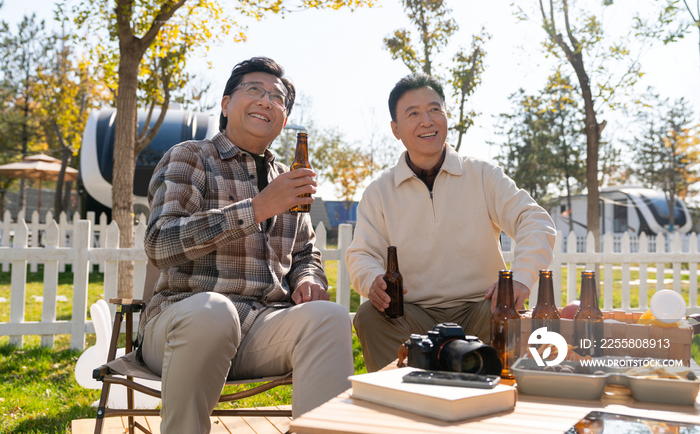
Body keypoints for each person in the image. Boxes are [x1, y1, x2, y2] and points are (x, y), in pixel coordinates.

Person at [139, 56, 354, 433]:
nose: (266, 101)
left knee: (331, 316)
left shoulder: (287, 179)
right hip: (181, 323)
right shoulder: (191, 157)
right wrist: (256, 209)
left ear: (284, 120)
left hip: (260, 327)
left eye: (278, 98)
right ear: (225, 104)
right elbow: (159, 242)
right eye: (254, 90)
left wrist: (307, 277)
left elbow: (306, 253)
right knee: (213, 310)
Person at [346, 73, 556, 372]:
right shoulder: (379, 192)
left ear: (447, 116)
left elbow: (534, 220)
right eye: (413, 113)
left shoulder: (483, 175)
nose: (427, 121)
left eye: (435, 109)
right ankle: (403, 404)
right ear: (395, 129)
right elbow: (362, 254)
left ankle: (493, 399)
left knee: (506, 317)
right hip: (411, 314)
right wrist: (371, 279)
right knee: (369, 316)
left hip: (482, 308)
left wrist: (520, 278)